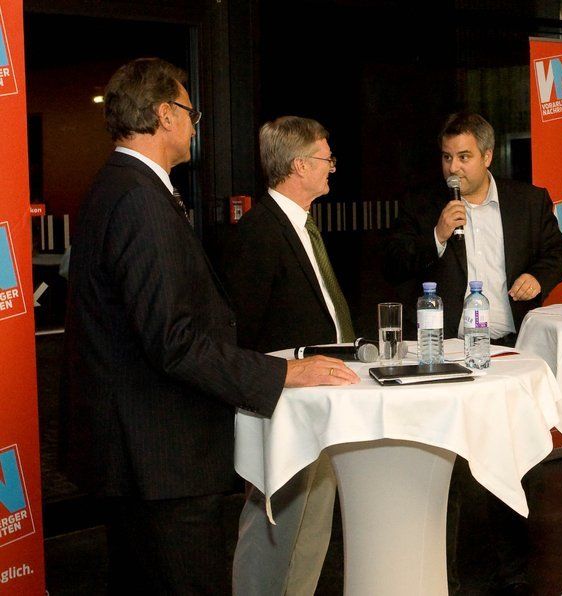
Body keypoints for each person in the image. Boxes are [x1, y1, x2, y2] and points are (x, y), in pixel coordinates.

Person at [62, 58, 357, 595]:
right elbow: (173, 340)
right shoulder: (139, 199)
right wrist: (282, 373)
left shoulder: (117, 186)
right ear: (164, 115)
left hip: (135, 451)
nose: (195, 125)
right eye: (190, 112)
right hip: (159, 456)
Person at [384, 112, 562, 594]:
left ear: (487, 156)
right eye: (447, 157)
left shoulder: (528, 200)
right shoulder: (425, 205)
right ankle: (461, 573)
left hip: (509, 349)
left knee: (514, 461)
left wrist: (539, 278)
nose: (454, 168)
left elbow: (558, 253)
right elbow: (394, 261)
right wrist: (438, 235)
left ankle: (514, 569)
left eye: (464, 157)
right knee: (461, 469)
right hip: (448, 351)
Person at [223, 116, 355, 595]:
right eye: (326, 159)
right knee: (275, 526)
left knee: (311, 526)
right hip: (282, 404)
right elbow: (242, 331)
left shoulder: (303, 225)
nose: (332, 167)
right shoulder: (260, 232)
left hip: (315, 398)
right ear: (299, 165)